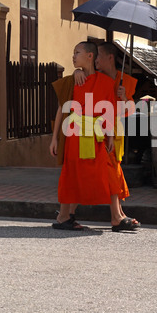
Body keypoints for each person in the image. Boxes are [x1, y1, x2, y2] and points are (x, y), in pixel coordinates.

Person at [50, 41, 137, 231]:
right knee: (71, 173)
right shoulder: (72, 80)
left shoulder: (106, 82)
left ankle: (116, 216)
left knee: (109, 171)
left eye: (77, 52)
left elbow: (110, 112)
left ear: (90, 56)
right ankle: (64, 216)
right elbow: (61, 110)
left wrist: (111, 137)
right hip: (75, 136)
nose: (73, 56)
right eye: (73, 52)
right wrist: (54, 138)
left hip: (98, 136)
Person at [74, 42, 140, 227]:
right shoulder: (95, 77)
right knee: (107, 172)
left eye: (99, 56)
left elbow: (130, 111)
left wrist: (125, 97)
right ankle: (115, 215)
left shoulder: (124, 81)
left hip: (114, 132)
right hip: (96, 131)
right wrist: (76, 72)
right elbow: (77, 89)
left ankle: (117, 212)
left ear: (110, 58)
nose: (95, 60)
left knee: (115, 171)